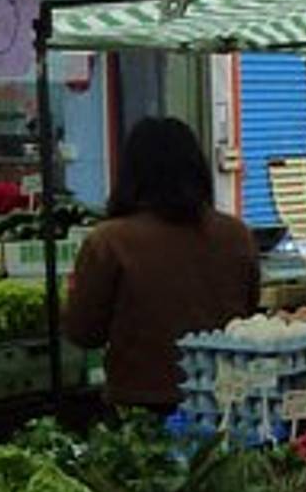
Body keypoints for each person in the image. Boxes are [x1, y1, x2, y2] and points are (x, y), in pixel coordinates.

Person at [64, 117, 260, 411]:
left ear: (130, 173)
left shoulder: (109, 241)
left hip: (140, 406)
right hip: (225, 399)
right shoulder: (236, 234)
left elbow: (84, 332)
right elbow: (248, 311)